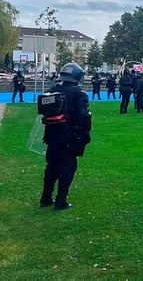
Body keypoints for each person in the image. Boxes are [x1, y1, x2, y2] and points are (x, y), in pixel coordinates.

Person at [38, 63, 92, 210]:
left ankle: (45, 198)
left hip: (51, 136)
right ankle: (60, 202)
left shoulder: (53, 90)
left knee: (51, 167)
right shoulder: (78, 93)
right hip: (69, 137)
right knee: (67, 168)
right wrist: (85, 135)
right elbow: (84, 117)